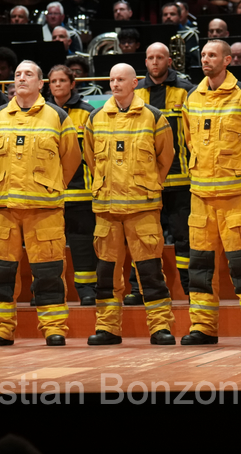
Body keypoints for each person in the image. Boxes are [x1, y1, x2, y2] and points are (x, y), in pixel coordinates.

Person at [181, 39, 241, 346]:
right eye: (203, 54)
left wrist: (238, 168)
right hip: (201, 197)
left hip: (238, 195)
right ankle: (203, 327)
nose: (205, 59)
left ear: (227, 60)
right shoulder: (192, 97)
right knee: (200, 266)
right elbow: (189, 140)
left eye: (212, 55)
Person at [0, 61, 81, 347]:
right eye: (17, 74)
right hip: (3, 208)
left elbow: (72, 158)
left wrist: (52, 185)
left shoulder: (58, 116)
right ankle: (1, 328)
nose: (21, 78)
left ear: (41, 84)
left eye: (29, 74)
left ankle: (54, 328)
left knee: (50, 272)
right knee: (0, 272)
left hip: (45, 209)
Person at [84, 63, 176, 346]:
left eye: (121, 79)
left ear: (135, 82)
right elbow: (90, 157)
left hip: (143, 207)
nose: (115, 84)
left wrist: (150, 184)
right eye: (111, 79)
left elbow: (166, 157)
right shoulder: (96, 118)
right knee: (105, 274)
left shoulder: (153, 117)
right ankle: (107, 328)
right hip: (107, 210)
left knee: (150, 270)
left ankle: (160, 327)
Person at [135, 43, 194, 294]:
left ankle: (192, 289)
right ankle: (145, 290)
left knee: (185, 238)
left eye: (160, 57)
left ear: (169, 61)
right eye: (151, 57)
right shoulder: (136, 92)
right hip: (146, 181)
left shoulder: (186, 91)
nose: (155, 62)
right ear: (145, 62)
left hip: (181, 179)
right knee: (145, 240)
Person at [47, 64, 98, 306]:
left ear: (72, 84)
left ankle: (87, 289)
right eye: (53, 81)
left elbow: (93, 153)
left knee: (82, 244)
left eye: (62, 81)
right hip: (47, 192)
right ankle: (47, 292)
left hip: (81, 191)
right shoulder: (42, 112)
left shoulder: (87, 112)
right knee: (48, 246)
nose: (57, 85)